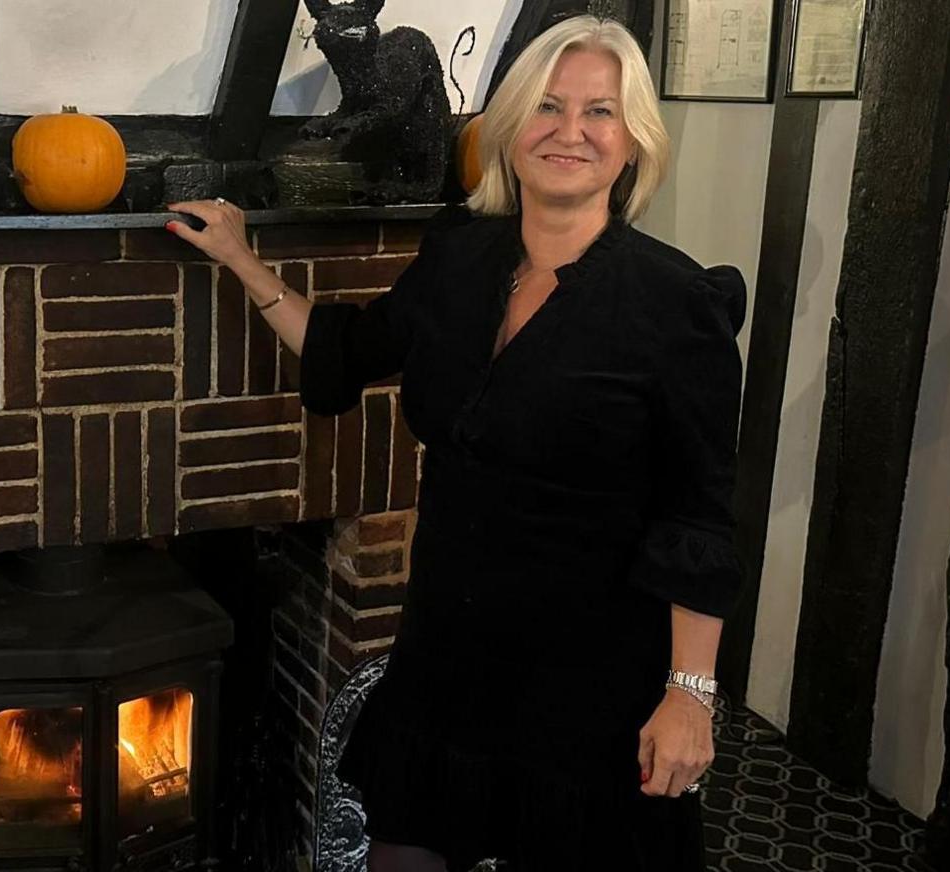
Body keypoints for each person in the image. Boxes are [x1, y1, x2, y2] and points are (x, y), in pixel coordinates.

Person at [165, 14, 746, 872]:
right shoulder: (458, 262)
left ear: (632, 147)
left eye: (600, 113)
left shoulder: (678, 305)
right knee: (406, 852)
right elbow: (347, 349)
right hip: (449, 646)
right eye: (547, 106)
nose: (570, 131)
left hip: (589, 668)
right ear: (510, 132)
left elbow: (697, 515)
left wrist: (689, 693)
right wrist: (245, 261)